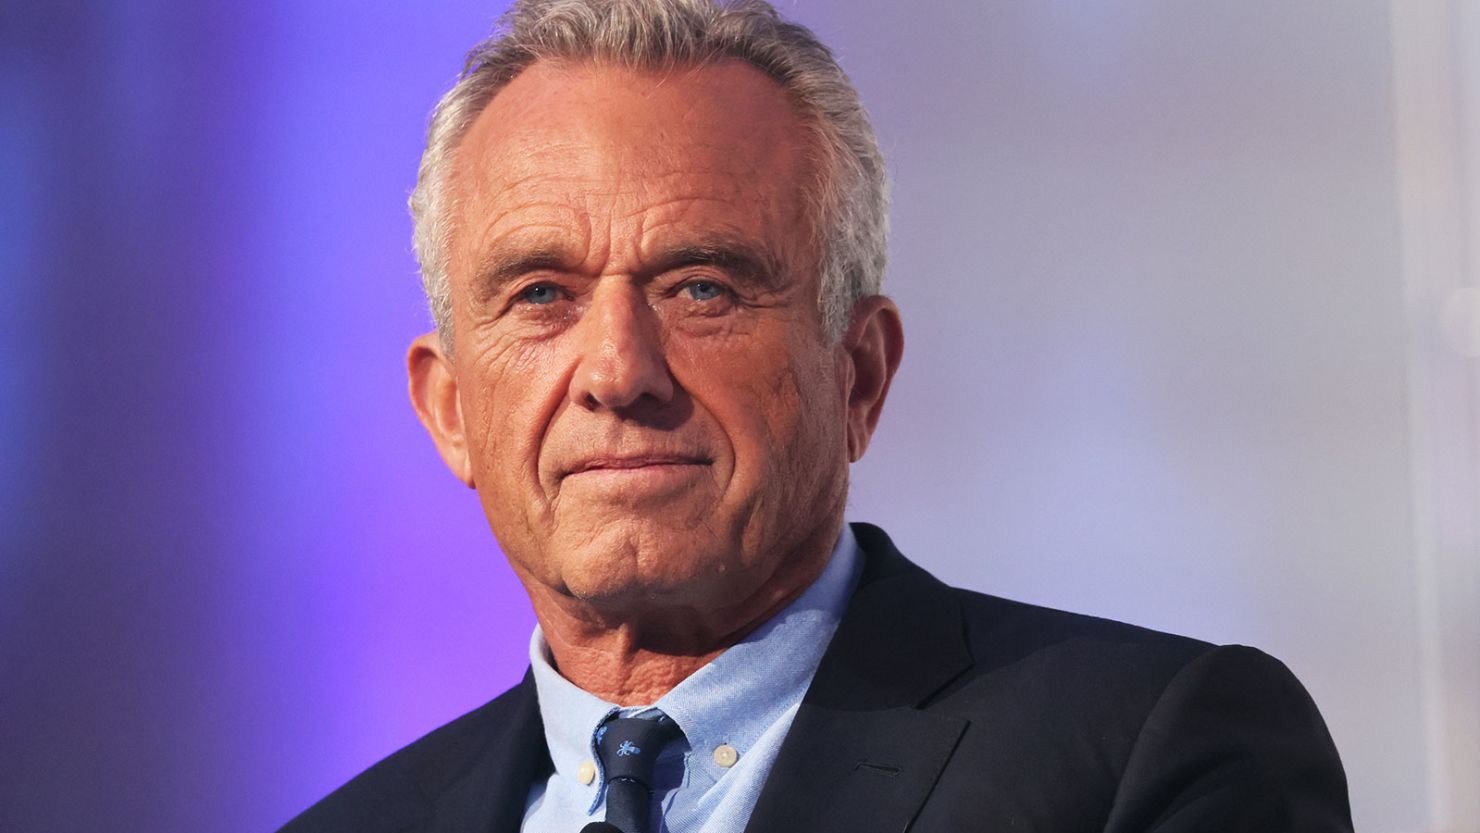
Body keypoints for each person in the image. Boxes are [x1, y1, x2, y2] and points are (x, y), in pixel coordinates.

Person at [281, 1, 1354, 831]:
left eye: (701, 286)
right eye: (540, 294)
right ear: (451, 407)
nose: (618, 368)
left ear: (859, 374)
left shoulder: (1145, 758)